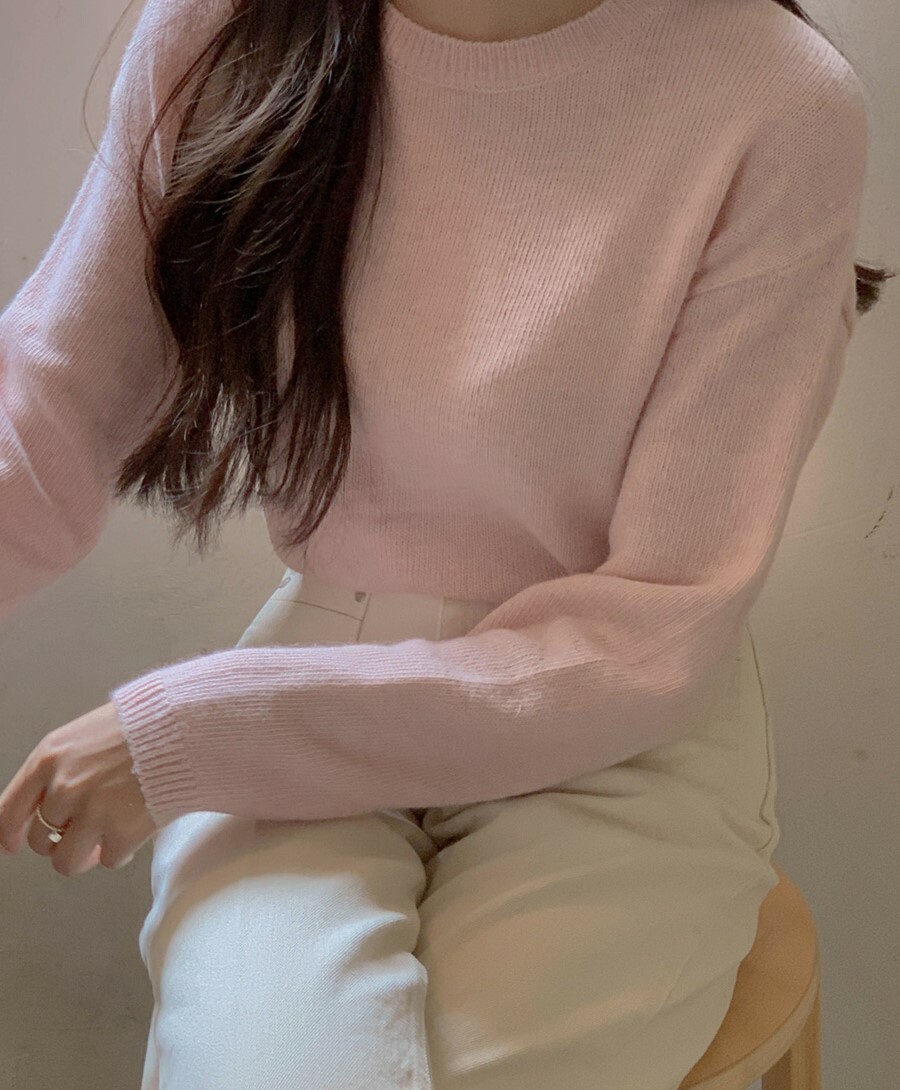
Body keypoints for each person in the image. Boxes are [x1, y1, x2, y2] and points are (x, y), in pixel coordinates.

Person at [0, 0, 890, 1087]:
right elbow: (46, 415)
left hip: (617, 729)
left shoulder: (773, 97)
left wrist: (199, 730)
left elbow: (658, 626)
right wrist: (225, 727)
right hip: (323, 663)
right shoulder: (227, 27)